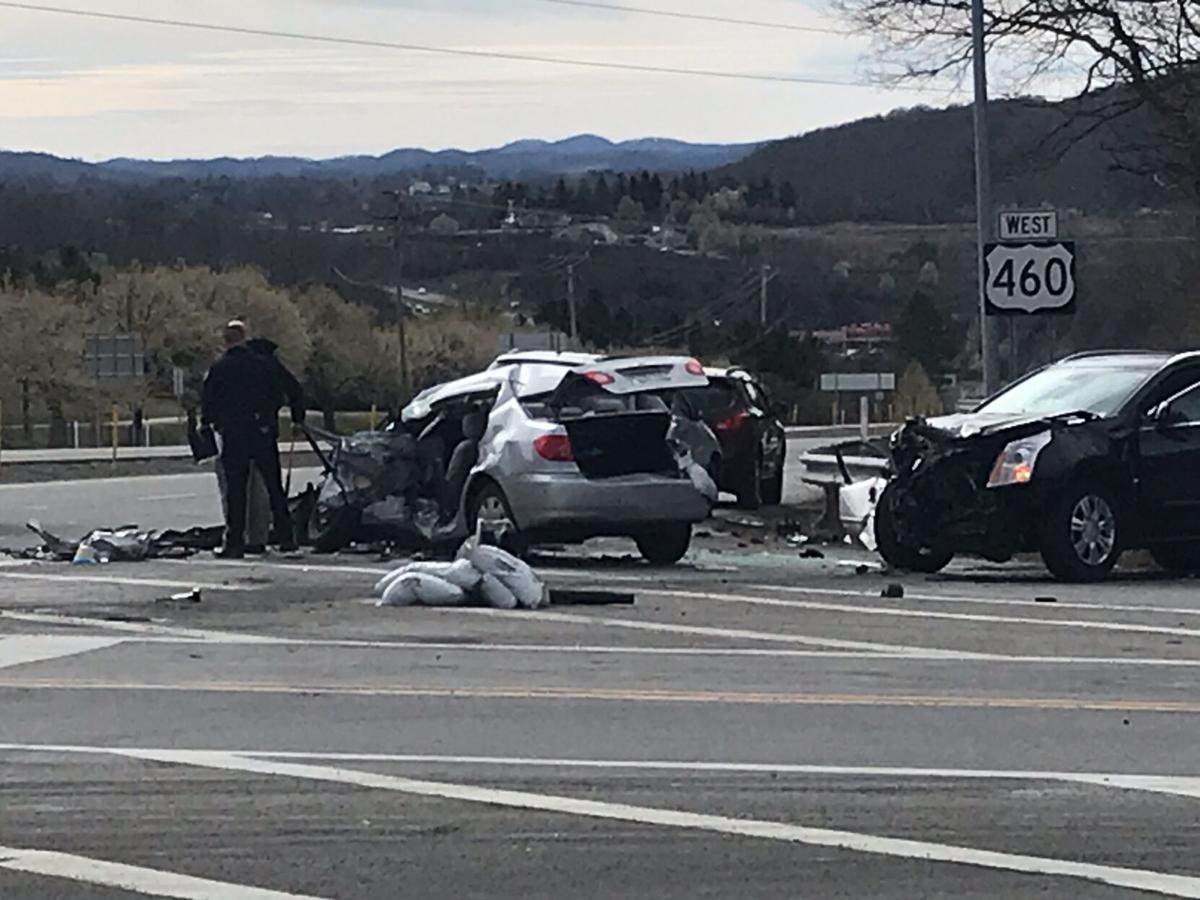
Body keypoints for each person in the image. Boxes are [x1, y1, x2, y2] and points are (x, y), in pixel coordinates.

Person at [201, 321, 304, 558]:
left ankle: (235, 543)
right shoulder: (264, 364)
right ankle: (287, 540)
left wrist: (209, 424)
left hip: (234, 434)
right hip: (263, 431)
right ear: (244, 338)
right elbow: (293, 389)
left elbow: (208, 402)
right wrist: (297, 419)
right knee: (274, 488)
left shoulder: (220, 368)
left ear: (226, 341)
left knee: (236, 491)